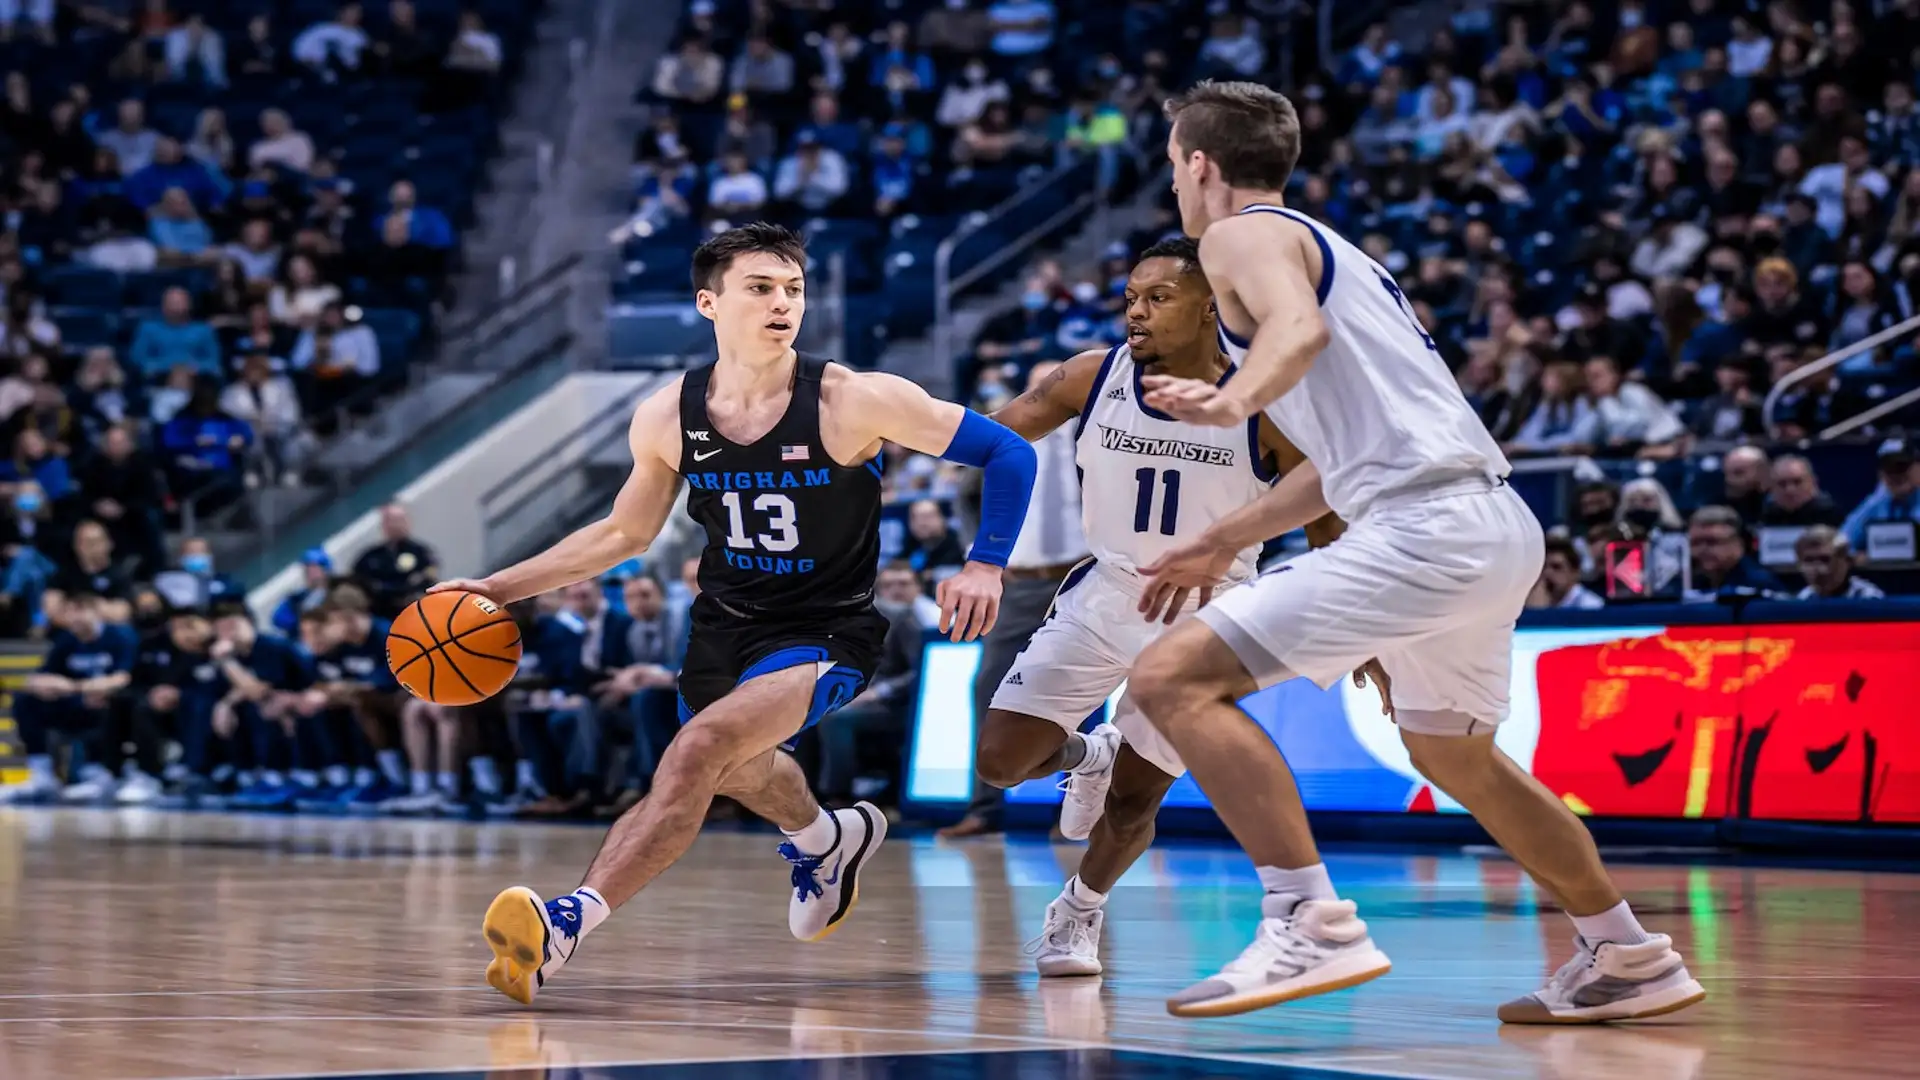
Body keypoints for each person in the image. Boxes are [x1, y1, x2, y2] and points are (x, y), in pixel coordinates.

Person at [1128, 81, 1704, 1024]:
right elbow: (1338, 462)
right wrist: (1223, 537)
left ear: (1199, 163)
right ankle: (1627, 954)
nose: (1174, 184)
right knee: (1453, 754)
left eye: (1171, 165)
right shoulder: (1336, 250)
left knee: (1169, 680)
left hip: (1424, 528)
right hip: (1489, 522)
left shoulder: (1238, 236)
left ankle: (1308, 919)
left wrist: (1231, 402)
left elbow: (1299, 332)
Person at [432, 223, 1038, 1005]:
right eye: (760, 288)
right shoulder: (668, 415)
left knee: (699, 750)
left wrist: (985, 562)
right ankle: (825, 837)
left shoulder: (852, 399)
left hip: (825, 628)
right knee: (738, 768)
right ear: (708, 303)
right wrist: (495, 587)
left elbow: (1008, 451)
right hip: (723, 628)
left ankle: (564, 925)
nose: (782, 303)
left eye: (793, 289)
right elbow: (623, 535)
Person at [970, 237, 1378, 977]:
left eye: (1158, 298)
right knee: (1000, 764)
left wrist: (1367, 636)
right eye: (1131, 297)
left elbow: (1327, 527)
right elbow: (986, 434)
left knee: (1134, 804)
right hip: (1107, 592)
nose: (1137, 311)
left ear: (1211, 306)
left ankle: (1078, 912)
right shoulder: (1091, 376)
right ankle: (1089, 752)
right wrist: (878, 426)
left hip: (1206, 616)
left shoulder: (1268, 405)